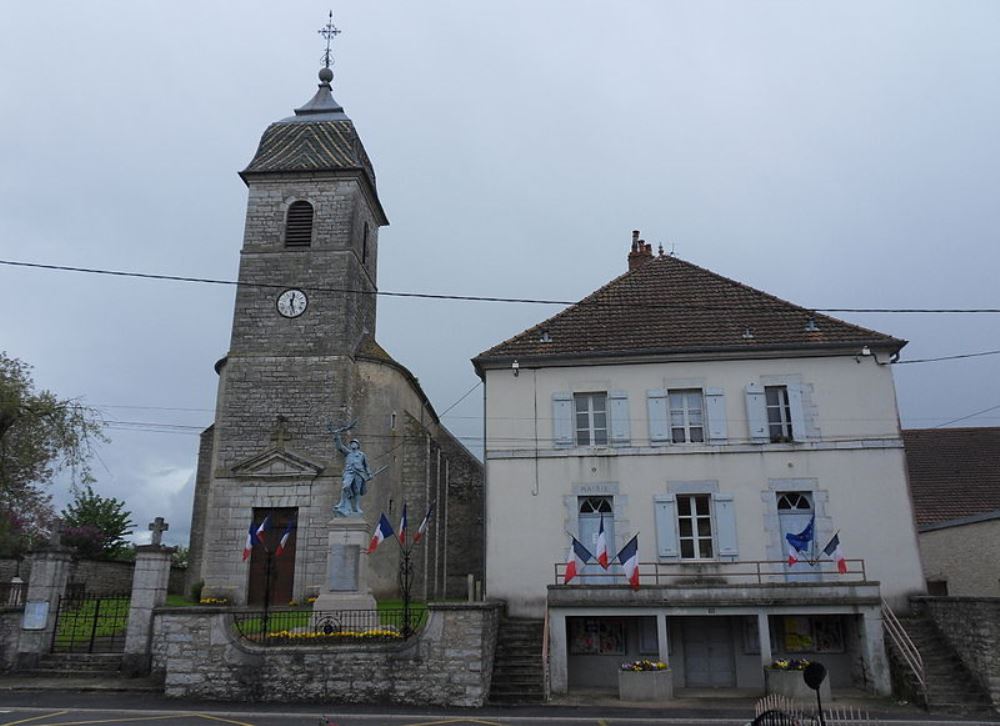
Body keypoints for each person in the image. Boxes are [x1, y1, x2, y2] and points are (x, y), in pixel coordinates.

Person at [331, 423, 372, 517]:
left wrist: (369, 474)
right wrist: (337, 436)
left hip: (359, 473)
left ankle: (356, 507)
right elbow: (339, 447)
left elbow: (366, 466)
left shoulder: (362, 455)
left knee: (357, 491)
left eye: (354, 443)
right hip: (349, 472)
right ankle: (342, 504)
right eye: (351, 443)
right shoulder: (348, 453)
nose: (352, 444)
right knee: (345, 486)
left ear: (358, 445)